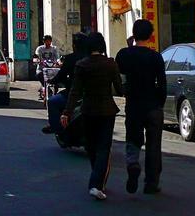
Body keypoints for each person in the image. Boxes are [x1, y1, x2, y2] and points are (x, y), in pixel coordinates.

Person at [62, 32, 123, 201]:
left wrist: (67, 112)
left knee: (91, 146)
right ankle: (96, 183)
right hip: (107, 110)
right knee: (104, 147)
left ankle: (97, 180)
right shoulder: (110, 64)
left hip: (88, 110)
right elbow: (119, 89)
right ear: (102, 46)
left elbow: (75, 91)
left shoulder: (82, 65)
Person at [115, 19, 167, 195]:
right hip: (153, 105)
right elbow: (162, 85)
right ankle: (151, 182)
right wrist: (159, 103)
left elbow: (119, 75)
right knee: (154, 145)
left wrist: (129, 47)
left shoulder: (124, 54)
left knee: (133, 138)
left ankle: (133, 163)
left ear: (133, 34)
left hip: (134, 104)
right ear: (151, 35)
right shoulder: (156, 57)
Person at [42, 32, 87, 134]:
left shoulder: (70, 58)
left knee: (52, 102)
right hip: (91, 94)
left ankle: (55, 127)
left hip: (73, 93)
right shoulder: (91, 58)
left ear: (74, 45)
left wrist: (52, 81)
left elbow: (61, 75)